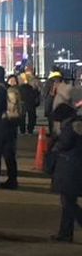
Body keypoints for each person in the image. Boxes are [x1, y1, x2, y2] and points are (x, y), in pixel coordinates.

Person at [50, 103, 82, 243]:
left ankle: (65, 233)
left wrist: (55, 143)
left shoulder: (70, 126)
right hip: (75, 165)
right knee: (68, 201)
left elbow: (65, 143)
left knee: (68, 202)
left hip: (70, 166)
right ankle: (65, 233)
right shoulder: (77, 123)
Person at [18, 70, 41, 134]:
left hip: (23, 101)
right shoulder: (34, 81)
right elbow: (38, 90)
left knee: (22, 116)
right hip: (31, 101)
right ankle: (30, 129)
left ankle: (23, 130)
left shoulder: (20, 81)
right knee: (31, 116)